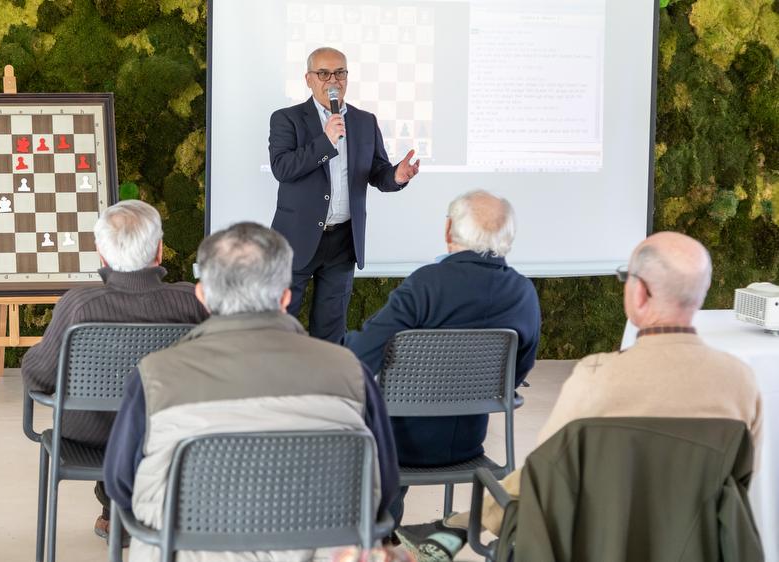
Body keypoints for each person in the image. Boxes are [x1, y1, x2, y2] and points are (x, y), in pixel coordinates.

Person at [437, 231, 763, 559]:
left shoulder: (597, 377)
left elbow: (546, 474)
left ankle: (461, 525)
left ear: (640, 293)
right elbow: (740, 481)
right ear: (700, 294)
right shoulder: (741, 383)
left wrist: (493, 508)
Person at [103, 222, 399, 561]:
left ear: (202, 296)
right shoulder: (352, 372)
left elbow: (119, 483)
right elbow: (385, 484)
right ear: (286, 297)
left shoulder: (154, 376)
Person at [345, 190, 541, 528]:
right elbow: (517, 372)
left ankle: (383, 534)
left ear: (448, 230)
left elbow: (362, 356)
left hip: (397, 448)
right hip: (467, 446)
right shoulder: (523, 293)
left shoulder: (425, 285)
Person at [21, 199, 208, 540]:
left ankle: (115, 510)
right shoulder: (193, 301)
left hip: (91, 435)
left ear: (102, 256)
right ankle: (150, 510)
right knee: (143, 419)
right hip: (171, 429)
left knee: (114, 419)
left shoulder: (78, 305)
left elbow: (39, 375)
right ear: (160, 250)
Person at [269, 46, 420, 343]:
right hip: (295, 239)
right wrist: (326, 141)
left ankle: (325, 385)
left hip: (342, 242)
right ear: (308, 79)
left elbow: (377, 172)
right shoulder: (287, 119)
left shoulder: (364, 121)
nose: (333, 80)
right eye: (323, 73)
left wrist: (397, 176)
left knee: (331, 330)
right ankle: (279, 385)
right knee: (278, 326)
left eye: (340, 72)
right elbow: (283, 168)